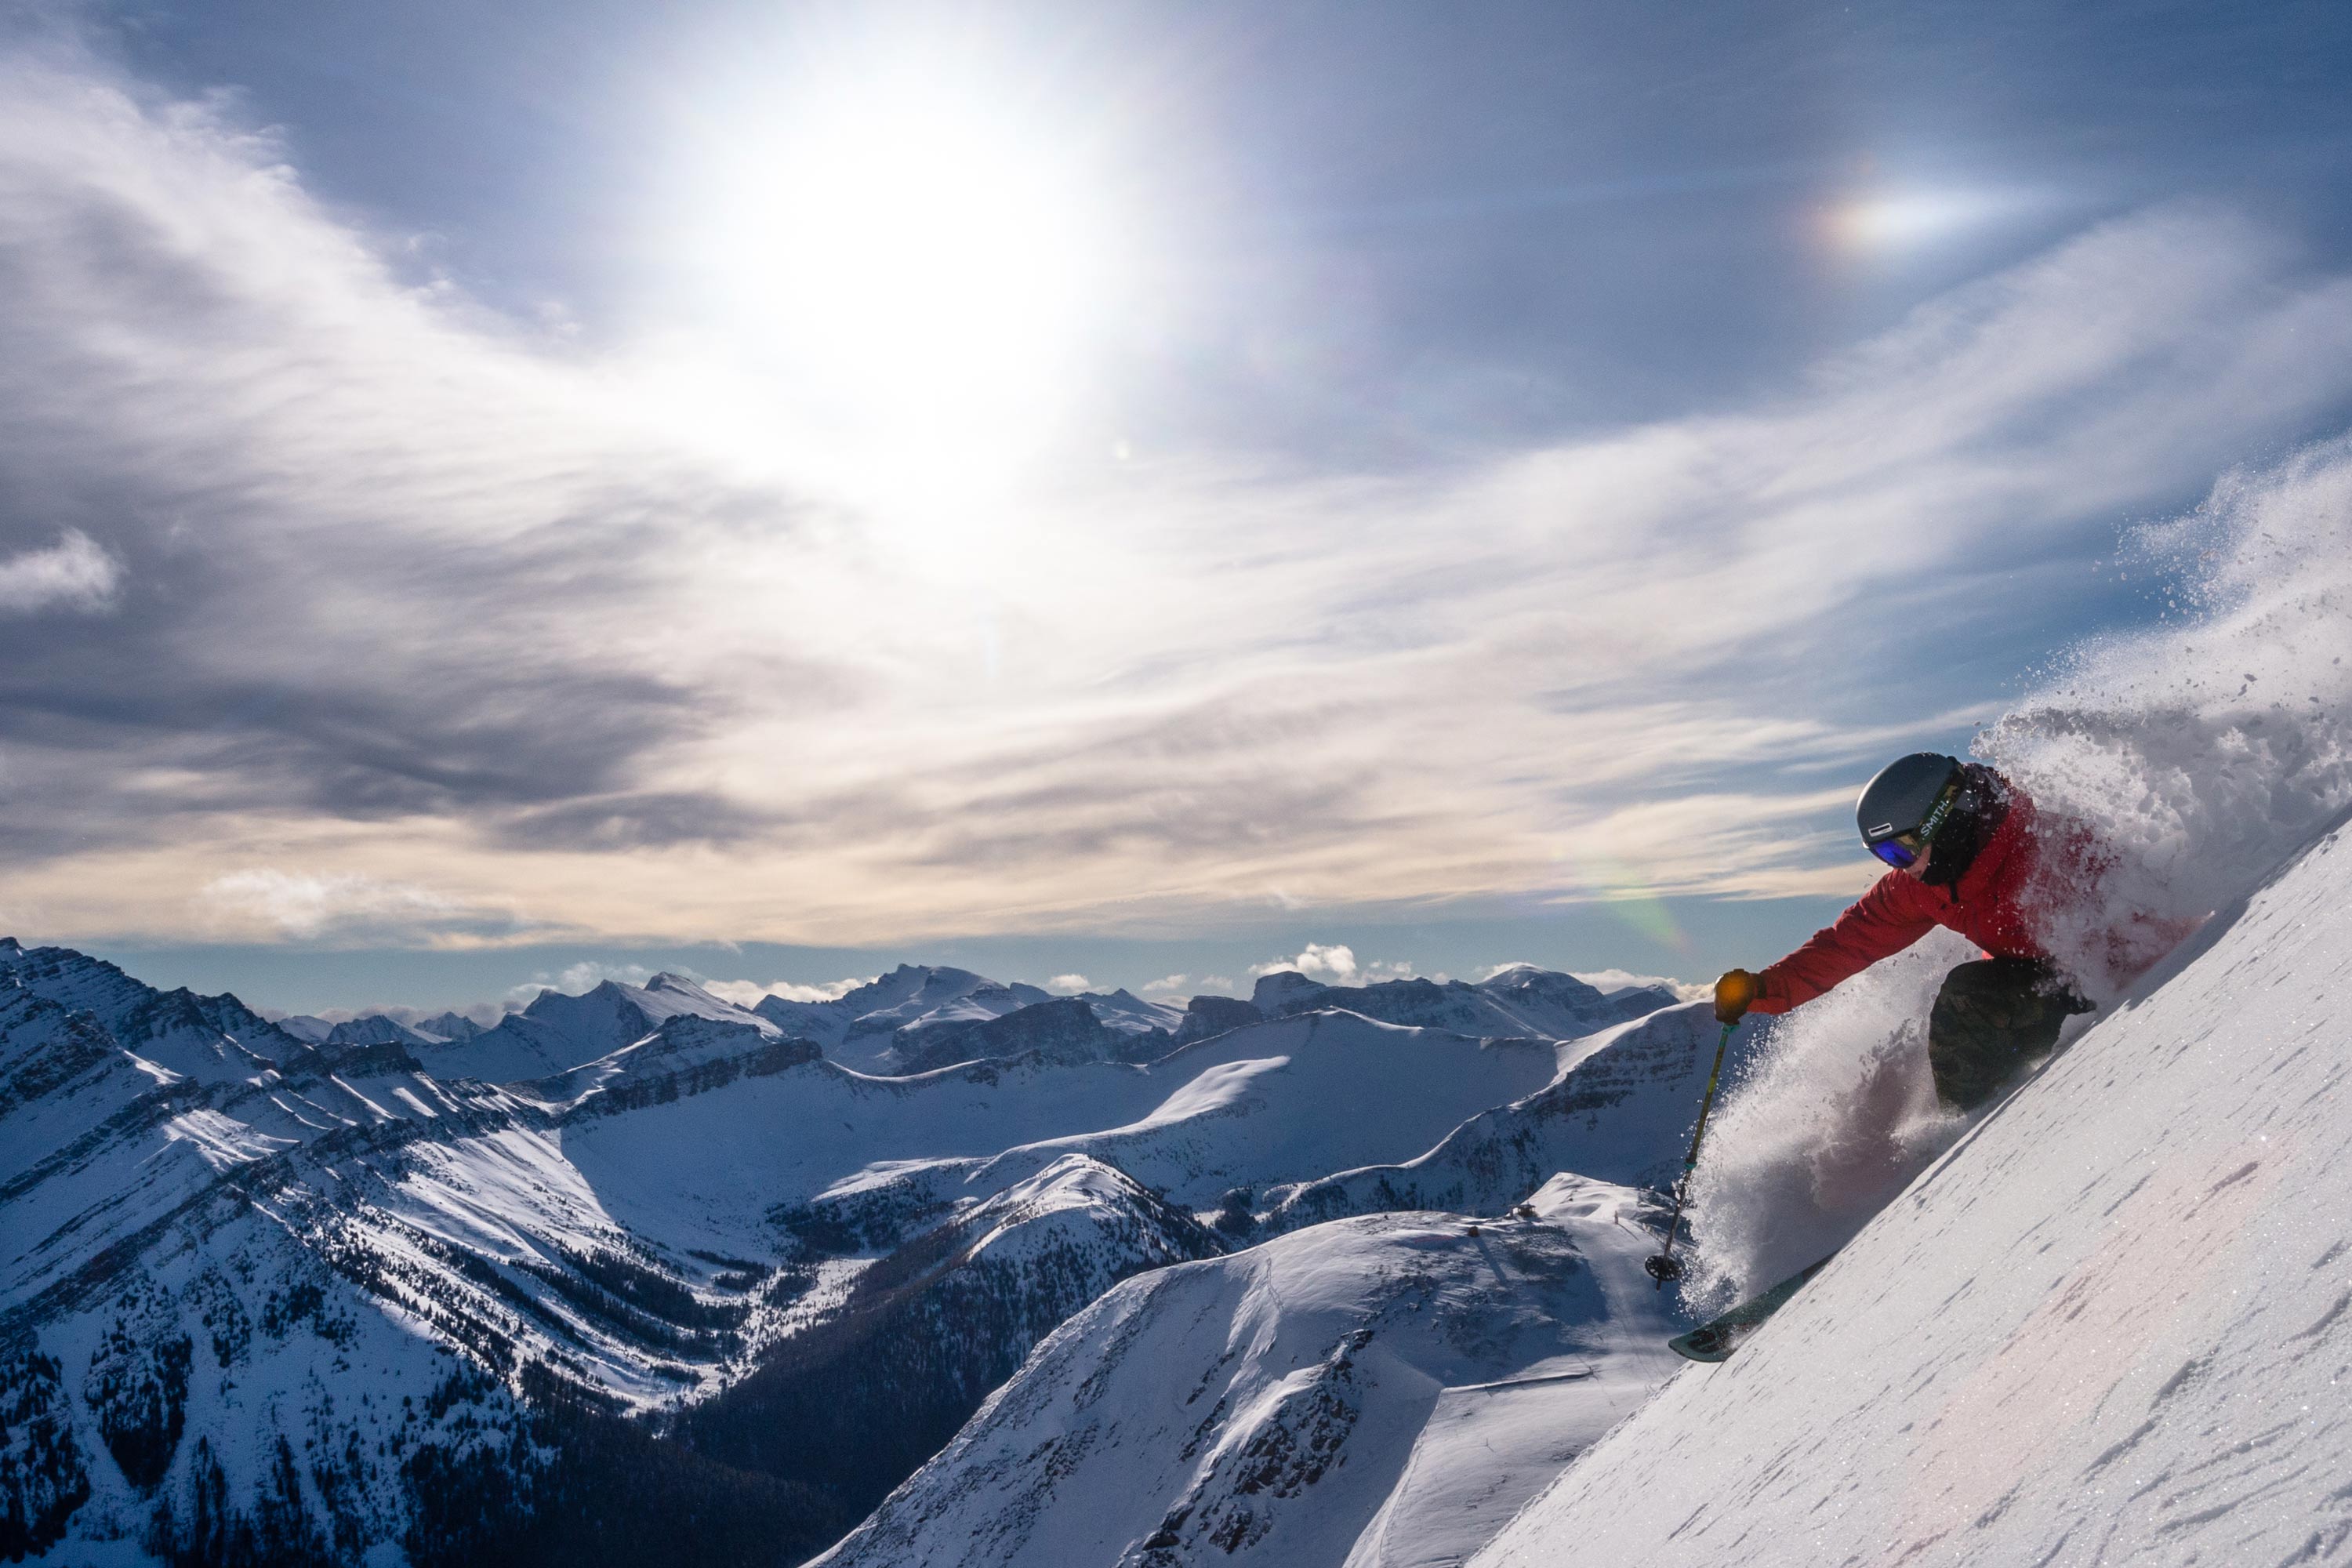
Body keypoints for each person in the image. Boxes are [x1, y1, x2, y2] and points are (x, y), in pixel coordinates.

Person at [1712, 752, 2092, 1112]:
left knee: (1968, 997)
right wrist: (1762, 989)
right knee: (1970, 999)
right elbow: (1848, 942)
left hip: (2093, 976)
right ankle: (1981, 1134)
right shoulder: (1923, 886)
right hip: (2031, 983)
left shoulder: (2051, 850)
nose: (1901, 867)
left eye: (1900, 852)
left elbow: (2137, 922)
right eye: (1884, 856)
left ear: (1943, 824)